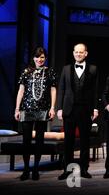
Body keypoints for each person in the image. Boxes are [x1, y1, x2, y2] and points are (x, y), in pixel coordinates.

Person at [57, 43, 99, 180]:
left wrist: (95, 108)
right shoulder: (66, 69)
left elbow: (95, 90)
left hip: (85, 109)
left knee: (85, 141)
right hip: (69, 110)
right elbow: (61, 89)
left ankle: (84, 169)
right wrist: (59, 108)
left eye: (81, 52)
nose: (78, 54)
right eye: (76, 52)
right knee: (68, 141)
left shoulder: (93, 69)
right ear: (73, 53)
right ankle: (67, 170)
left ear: (86, 53)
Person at [14, 47, 57, 180]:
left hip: (43, 109)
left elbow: (53, 90)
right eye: (37, 57)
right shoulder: (26, 72)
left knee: (39, 140)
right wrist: (17, 109)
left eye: (42, 57)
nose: (40, 59)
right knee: (26, 140)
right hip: (27, 109)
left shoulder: (50, 71)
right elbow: (21, 91)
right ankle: (26, 169)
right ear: (33, 58)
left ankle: (36, 169)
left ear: (45, 58)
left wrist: (52, 108)